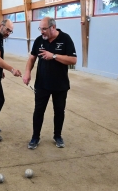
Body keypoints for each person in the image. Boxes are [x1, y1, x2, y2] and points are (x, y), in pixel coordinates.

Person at [22, 17, 77, 149]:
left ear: (53, 27)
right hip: (42, 84)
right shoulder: (39, 40)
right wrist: (27, 72)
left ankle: (57, 136)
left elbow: (73, 60)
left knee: (59, 111)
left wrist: (53, 56)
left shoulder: (65, 39)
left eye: (44, 29)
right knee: (38, 111)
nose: (42, 32)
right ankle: (35, 137)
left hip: (60, 85)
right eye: (40, 29)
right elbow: (32, 58)